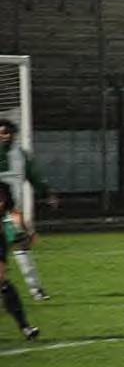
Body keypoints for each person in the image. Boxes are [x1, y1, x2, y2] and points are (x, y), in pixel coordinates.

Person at [0, 119, 58, 301]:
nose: (3, 136)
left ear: (14, 135)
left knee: (22, 245)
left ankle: (36, 289)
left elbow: (34, 175)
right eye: (1, 132)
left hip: (10, 211)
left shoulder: (20, 155)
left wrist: (47, 193)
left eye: (7, 132)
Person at [0, 181, 40, 339]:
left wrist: (27, 231)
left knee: (2, 280)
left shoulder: (4, 190)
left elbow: (14, 214)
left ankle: (25, 327)